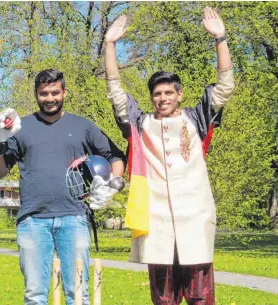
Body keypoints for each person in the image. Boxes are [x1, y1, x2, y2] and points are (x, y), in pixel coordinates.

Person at [104, 7, 234, 305]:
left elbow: (225, 86)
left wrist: (220, 38)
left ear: (180, 94)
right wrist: (110, 45)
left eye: (168, 93)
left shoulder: (197, 119)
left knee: (200, 296)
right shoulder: (141, 123)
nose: (162, 99)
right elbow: (115, 92)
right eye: (156, 94)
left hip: (195, 214)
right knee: (163, 298)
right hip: (157, 216)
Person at [0, 69, 126, 305]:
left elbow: (115, 157)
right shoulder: (21, 128)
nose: (49, 98)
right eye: (43, 93)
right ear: (36, 94)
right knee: (34, 295)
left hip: (74, 218)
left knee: (78, 294)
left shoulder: (83, 126)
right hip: (32, 220)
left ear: (64, 92)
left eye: (54, 92)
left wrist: (113, 185)